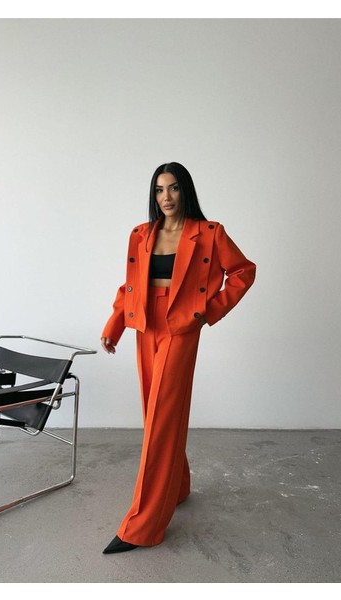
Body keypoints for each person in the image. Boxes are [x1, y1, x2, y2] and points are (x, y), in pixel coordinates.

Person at [101, 162, 256, 554]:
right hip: (145, 323)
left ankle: (143, 525)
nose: (165, 197)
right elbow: (130, 285)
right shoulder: (141, 233)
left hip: (180, 326)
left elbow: (243, 272)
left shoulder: (209, 232)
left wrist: (208, 311)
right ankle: (178, 486)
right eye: (159, 189)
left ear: (185, 190)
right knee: (154, 412)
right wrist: (115, 325)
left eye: (172, 188)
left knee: (161, 419)